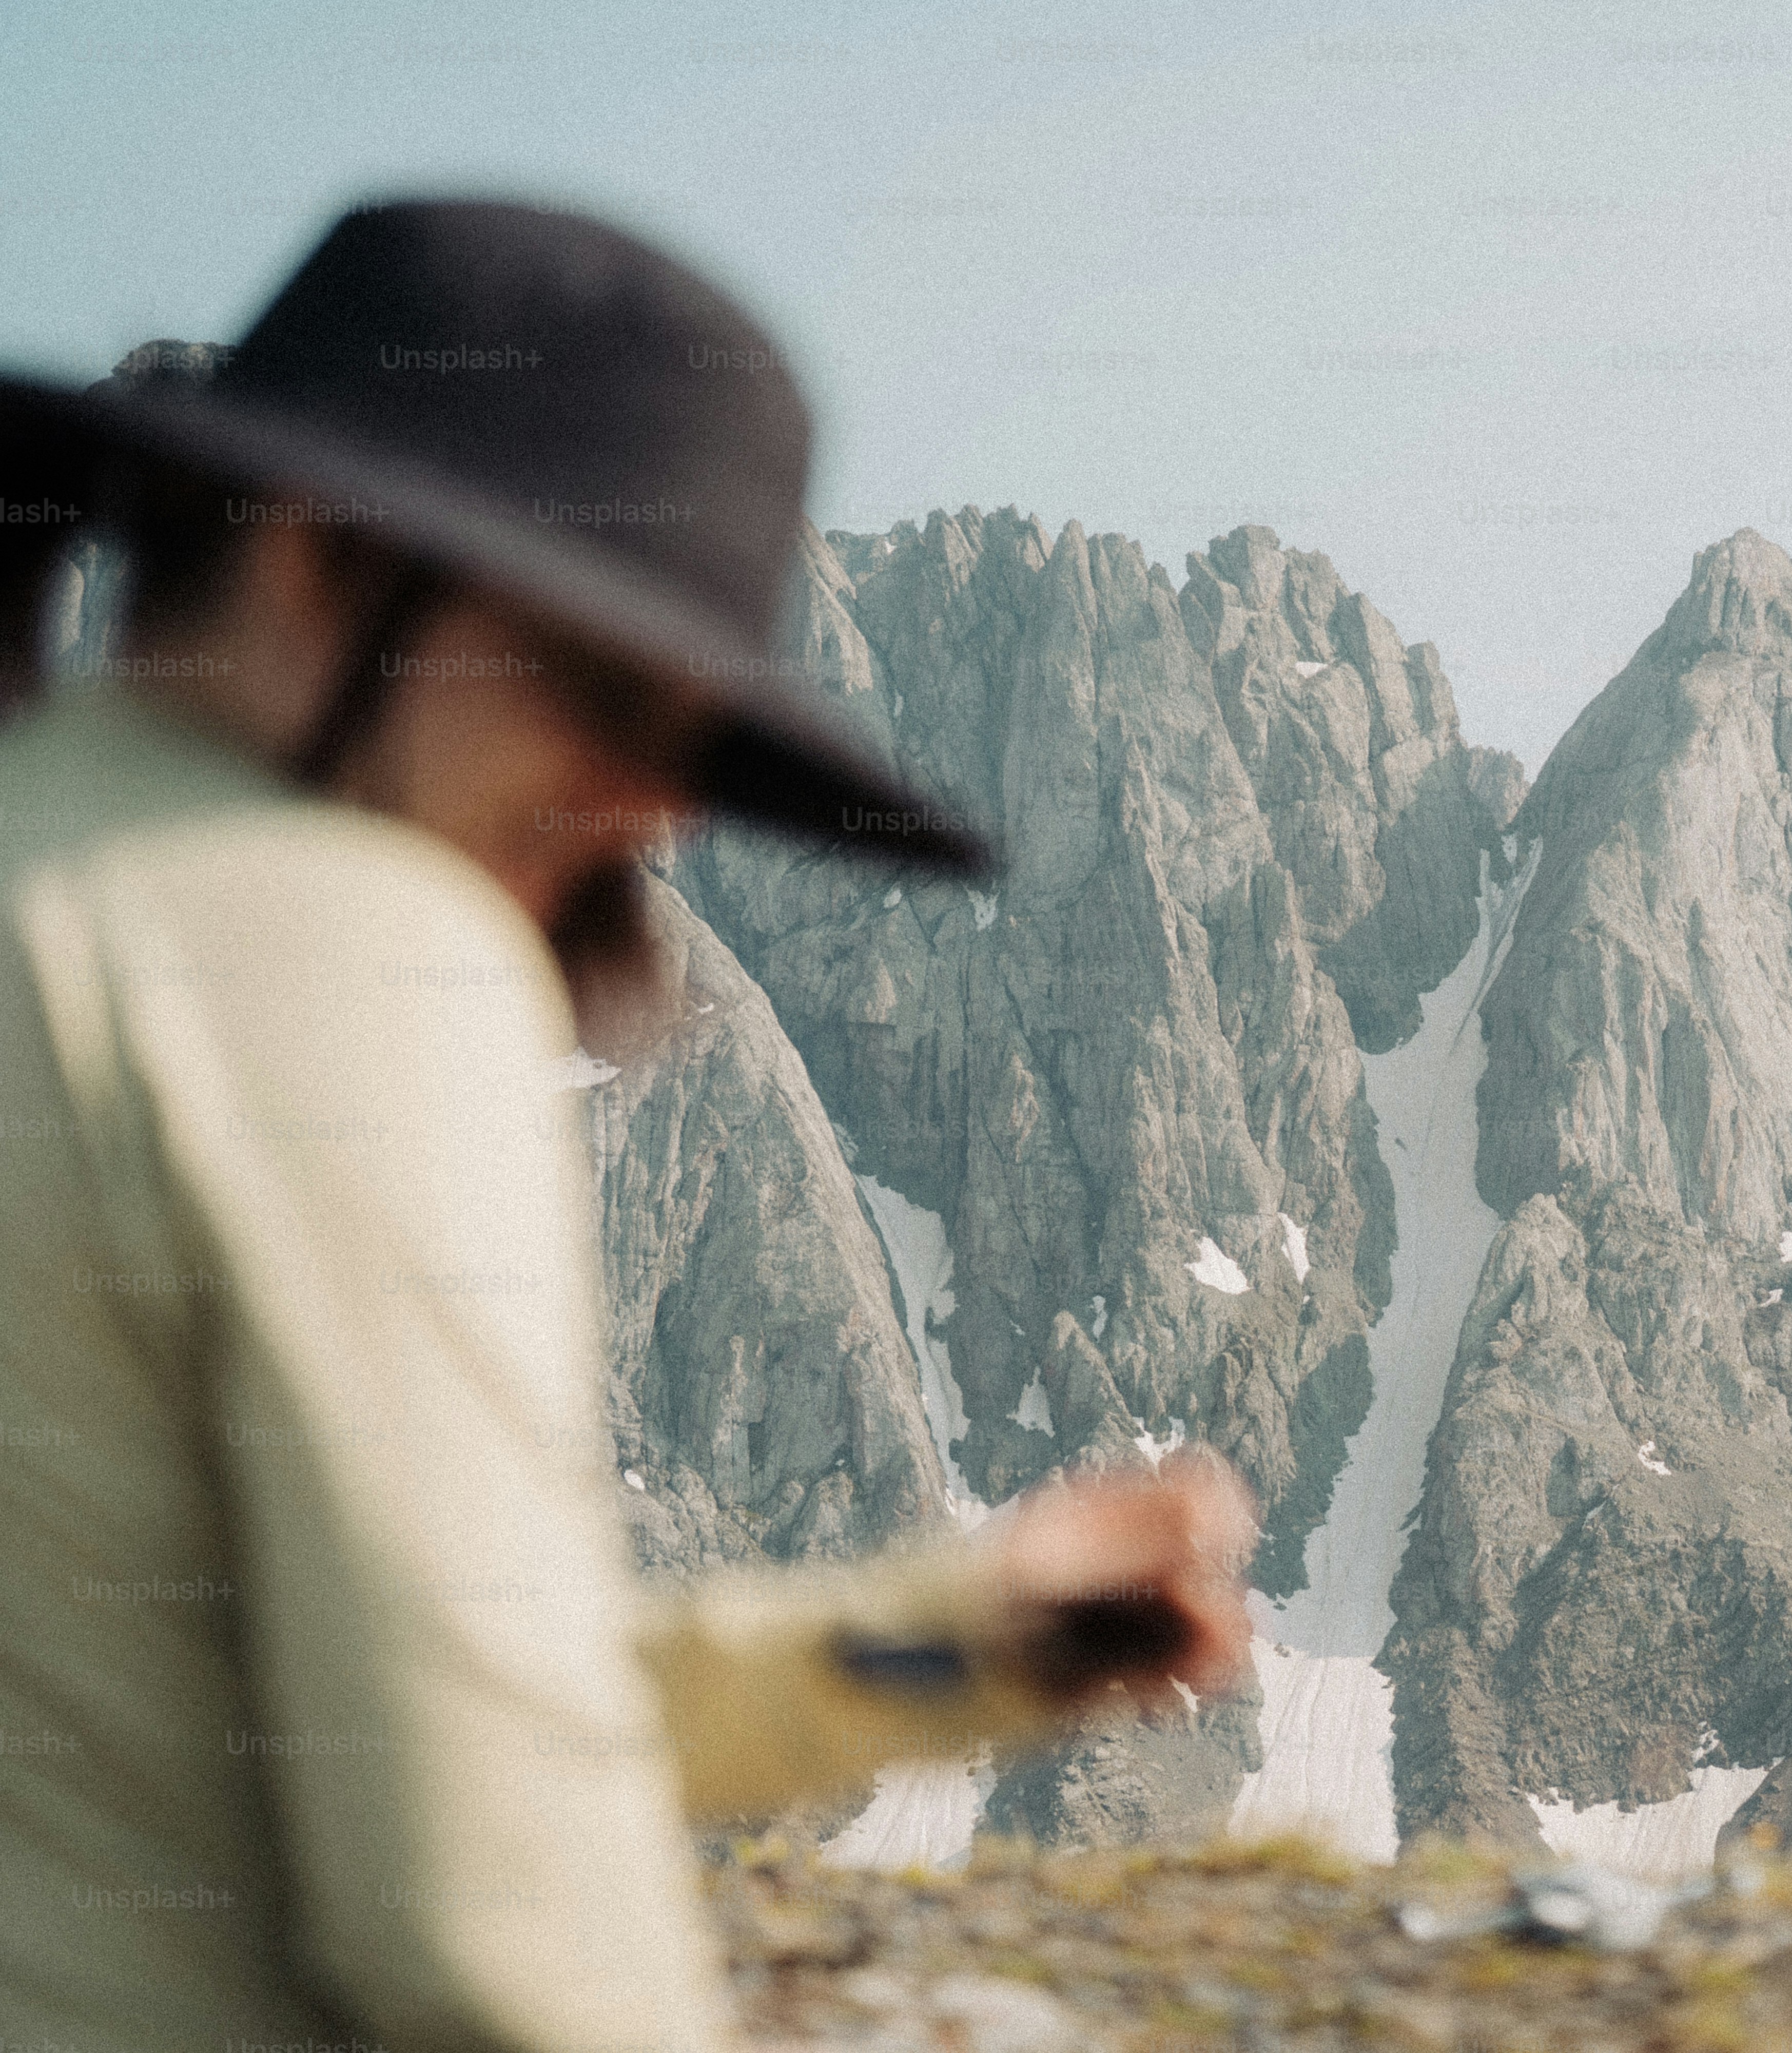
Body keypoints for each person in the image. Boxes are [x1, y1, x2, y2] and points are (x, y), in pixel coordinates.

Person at [0, 200, 1254, 2053]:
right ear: (315, 569)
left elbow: (417, 1710)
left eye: (691, 745)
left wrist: (969, 1631)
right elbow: (486, 1909)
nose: (654, 815)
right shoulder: (347, 946)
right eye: (600, 689)